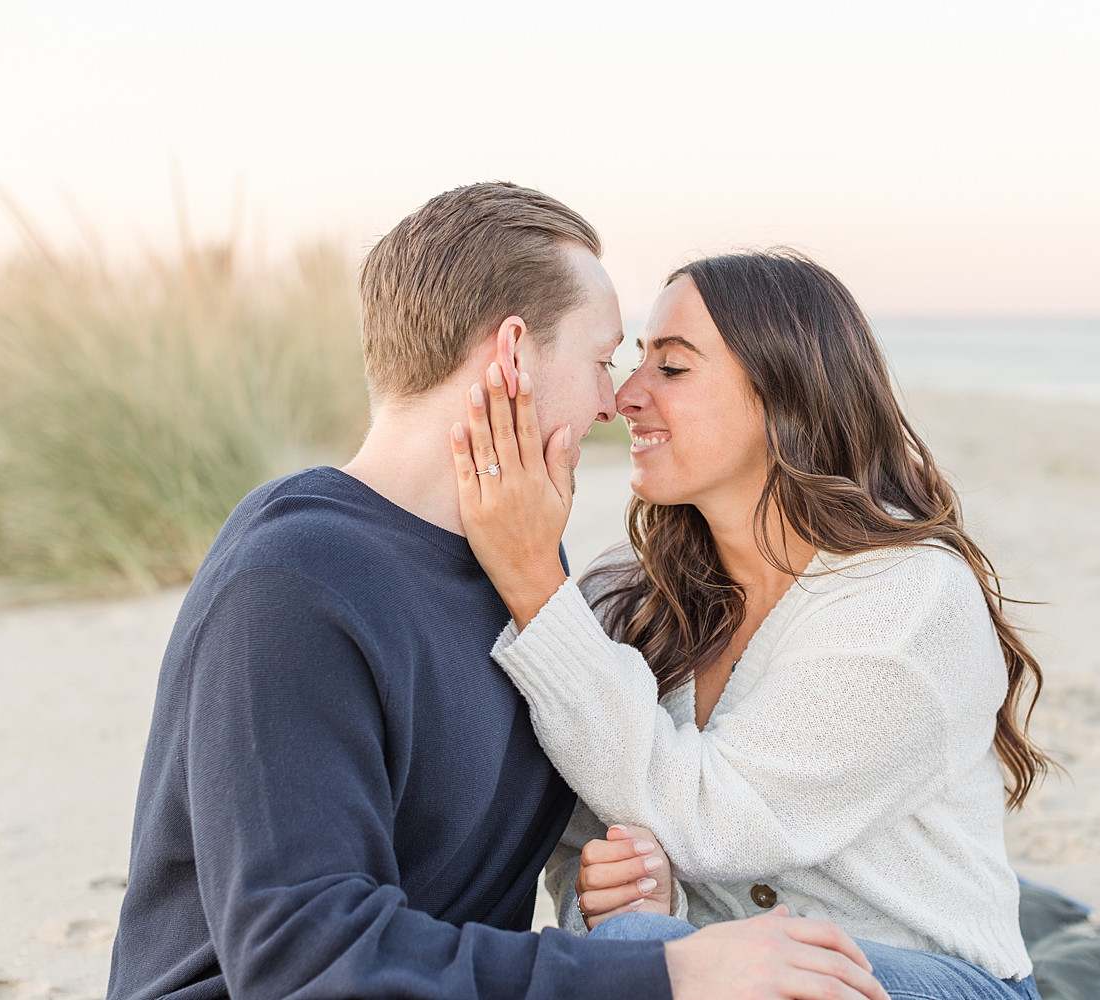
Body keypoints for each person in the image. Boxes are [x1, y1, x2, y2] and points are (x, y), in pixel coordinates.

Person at [107, 186, 887, 1000]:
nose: (612, 403)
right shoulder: (293, 582)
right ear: (512, 354)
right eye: (601, 360)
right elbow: (302, 957)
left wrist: (634, 890)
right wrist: (665, 971)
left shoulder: (519, 565)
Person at [450, 250, 1052, 1000]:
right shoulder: (619, 594)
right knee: (640, 944)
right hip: (727, 974)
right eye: (636, 362)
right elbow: (580, 843)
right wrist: (628, 892)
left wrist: (533, 580)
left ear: (783, 396)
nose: (627, 397)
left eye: (672, 369)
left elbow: (713, 818)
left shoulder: (909, 598)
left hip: (930, 978)